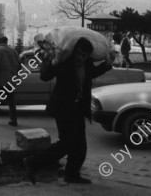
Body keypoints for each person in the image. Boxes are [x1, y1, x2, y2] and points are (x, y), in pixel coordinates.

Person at [23, 37, 112, 185]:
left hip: (78, 109)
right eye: (78, 53)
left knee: (80, 147)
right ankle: (32, 162)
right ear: (74, 51)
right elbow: (45, 76)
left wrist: (107, 64)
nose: (80, 57)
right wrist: (54, 62)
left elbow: (92, 74)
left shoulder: (87, 63)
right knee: (67, 143)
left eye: (84, 55)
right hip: (63, 108)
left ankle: (71, 174)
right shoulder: (63, 60)